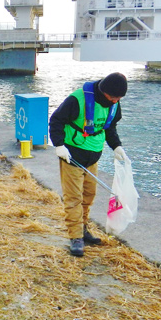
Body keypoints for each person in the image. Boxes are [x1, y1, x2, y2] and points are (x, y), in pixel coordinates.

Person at [49, 72, 129, 257]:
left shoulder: (114, 103)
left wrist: (116, 146)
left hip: (93, 156)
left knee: (89, 195)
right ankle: (75, 237)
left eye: (119, 98)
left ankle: (83, 229)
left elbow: (110, 127)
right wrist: (59, 145)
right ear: (104, 92)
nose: (116, 101)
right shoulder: (77, 100)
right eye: (113, 97)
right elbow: (56, 121)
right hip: (72, 155)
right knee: (74, 198)